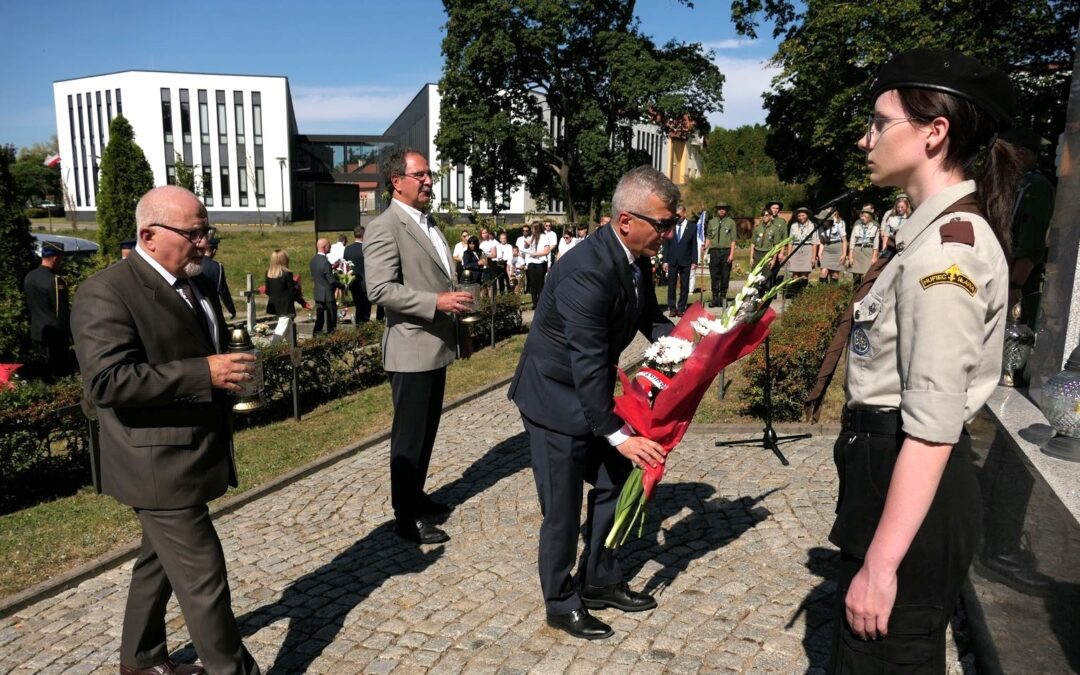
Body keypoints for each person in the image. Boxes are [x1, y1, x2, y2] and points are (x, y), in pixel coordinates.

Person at [824, 48, 1020, 672]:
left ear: (934, 133)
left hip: (909, 476)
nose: (865, 139)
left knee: (886, 658)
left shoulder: (945, 254)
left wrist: (882, 568)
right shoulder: (923, 235)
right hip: (888, 470)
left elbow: (932, 426)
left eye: (880, 123)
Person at [70, 185, 260, 675]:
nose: (205, 242)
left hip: (192, 454)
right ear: (149, 235)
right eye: (194, 233)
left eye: (206, 231)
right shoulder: (106, 291)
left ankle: (141, 661)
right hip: (156, 466)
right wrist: (206, 373)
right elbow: (108, 382)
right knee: (204, 579)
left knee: (156, 566)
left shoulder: (196, 281)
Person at [509, 165, 676, 641]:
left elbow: (649, 317)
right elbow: (585, 362)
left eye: (671, 224)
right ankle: (560, 602)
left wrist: (694, 343)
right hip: (554, 400)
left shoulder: (634, 256)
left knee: (618, 480)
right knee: (562, 506)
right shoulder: (587, 270)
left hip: (590, 391)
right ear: (626, 220)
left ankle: (600, 577)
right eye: (662, 224)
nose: (668, 234)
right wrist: (620, 435)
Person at [364, 148, 474, 545]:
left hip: (434, 346)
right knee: (409, 438)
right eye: (421, 175)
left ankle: (415, 496)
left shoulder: (428, 223)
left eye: (429, 174)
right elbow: (379, 289)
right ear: (397, 181)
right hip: (410, 349)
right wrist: (436, 303)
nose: (429, 181)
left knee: (426, 431)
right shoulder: (385, 226)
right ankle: (405, 517)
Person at [1001, 127, 1055, 328]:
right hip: (1008, 275)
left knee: (1016, 337)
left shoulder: (1034, 185)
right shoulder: (1020, 183)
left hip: (1020, 281)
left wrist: (1016, 284)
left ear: (1021, 153)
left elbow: (1032, 239)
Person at [23, 241, 73, 378]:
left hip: (37, 331)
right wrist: (70, 334)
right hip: (55, 335)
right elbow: (61, 311)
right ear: (56, 258)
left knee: (43, 371)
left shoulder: (30, 276)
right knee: (59, 373)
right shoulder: (55, 281)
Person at [662, 205, 697, 317]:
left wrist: (695, 260)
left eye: (679, 215)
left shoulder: (692, 227)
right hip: (672, 260)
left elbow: (694, 245)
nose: (677, 217)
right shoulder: (671, 226)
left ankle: (681, 308)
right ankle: (672, 308)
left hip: (685, 260)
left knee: (684, 285)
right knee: (671, 284)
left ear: (684, 214)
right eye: (675, 215)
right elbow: (666, 245)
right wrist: (665, 260)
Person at [704, 203, 738, 308]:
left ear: (726, 210)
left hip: (726, 251)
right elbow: (709, 236)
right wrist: (704, 248)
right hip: (714, 252)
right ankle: (715, 298)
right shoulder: (711, 222)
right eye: (720, 209)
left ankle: (723, 297)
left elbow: (733, 240)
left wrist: (732, 254)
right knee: (714, 275)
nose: (722, 211)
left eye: (724, 209)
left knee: (725, 275)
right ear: (717, 210)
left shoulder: (731, 222)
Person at [310, 238, 344, 334]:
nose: (330, 246)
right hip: (328, 295)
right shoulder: (325, 262)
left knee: (319, 319)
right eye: (329, 245)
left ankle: (315, 338)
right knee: (331, 320)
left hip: (318, 294)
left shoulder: (313, 260)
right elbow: (331, 280)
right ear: (324, 247)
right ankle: (331, 339)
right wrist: (343, 286)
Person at [198, 238, 236, 320]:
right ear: (214, 250)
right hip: (213, 306)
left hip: (198, 305)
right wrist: (231, 309)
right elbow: (223, 291)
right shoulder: (216, 267)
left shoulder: (195, 263)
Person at [264, 249, 309, 317]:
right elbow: (291, 292)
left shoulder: (268, 273)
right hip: (286, 309)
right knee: (284, 327)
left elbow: (267, 292)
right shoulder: (287, 274)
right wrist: (296, 284)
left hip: (273, 308)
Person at [343, 225, 373, 323]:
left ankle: (359, 328)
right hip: (366, 283)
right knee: (366, 309)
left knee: (358, 307)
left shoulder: (347, 249)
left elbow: (346, 267)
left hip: (353, 283)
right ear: (364, 235)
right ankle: (364, 330)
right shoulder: (366, 249)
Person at [785, 207, 817, 291]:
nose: (801, 217)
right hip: (795, 249)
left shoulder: (812, 225)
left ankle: (803, 294)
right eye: (799, 216)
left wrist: (813, 257)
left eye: (803, 215)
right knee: (795, 273)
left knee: (804, 274)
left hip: (807, 249)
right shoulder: (794, 226)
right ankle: (795, 293)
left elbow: (814, 243)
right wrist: (789, 256)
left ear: (807, 215)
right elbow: (790, 242)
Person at [847, 209, 880, 284]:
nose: (863, 218)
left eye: (865, 216)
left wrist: (874, 256)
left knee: (866, 275)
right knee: (856, 275)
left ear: (869, 217)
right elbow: (852, 240)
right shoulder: (857, 225)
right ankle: (855, 293)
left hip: (868, 251)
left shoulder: (875, 226)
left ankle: (864, 293)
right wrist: (850, 256)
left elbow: (876, 242)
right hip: (857, 251)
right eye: (862, 216)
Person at [523, 221, 551, 308]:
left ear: (537, 228)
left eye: (532, 228)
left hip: (540, 262)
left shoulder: (544, 237)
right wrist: (526, 243)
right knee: (533, 283)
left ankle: (541, 302)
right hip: (532, 262)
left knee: (540, 283)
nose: (531, 230)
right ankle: (535, 303)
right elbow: (526, 247)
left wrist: (536, 254)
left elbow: (546, 251)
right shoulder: (532, 236)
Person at [818, 209, 848, 283]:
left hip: (837, 249)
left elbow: (844, 241)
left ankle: (833, 292)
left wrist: (844, 254)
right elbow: (822, 241)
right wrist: (819, 252)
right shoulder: (820, 228)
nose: (821, 221)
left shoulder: (838, 225)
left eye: (822, 219)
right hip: (827, 249)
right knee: (823, 273)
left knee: (835, 274)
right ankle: (822, 292)